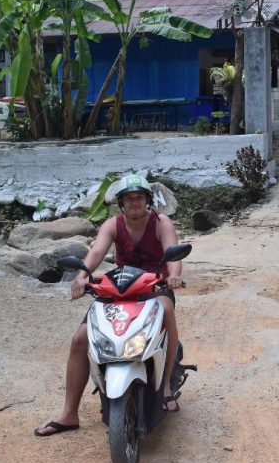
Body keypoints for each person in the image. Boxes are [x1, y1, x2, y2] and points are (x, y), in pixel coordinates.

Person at [34, 174, 183, 436]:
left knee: (166, 310)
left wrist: (173, 275)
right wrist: (81, 276)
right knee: (81, 338)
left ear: (148, 201)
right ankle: (69, 413)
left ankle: (166, 385)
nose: (134, 203)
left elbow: (173, 250)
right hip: (121, 288)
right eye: (128, 199)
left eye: (139, 198)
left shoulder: (161, 222)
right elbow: (95, 253)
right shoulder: (112, 225)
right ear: (121, 204)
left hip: (154, 286)